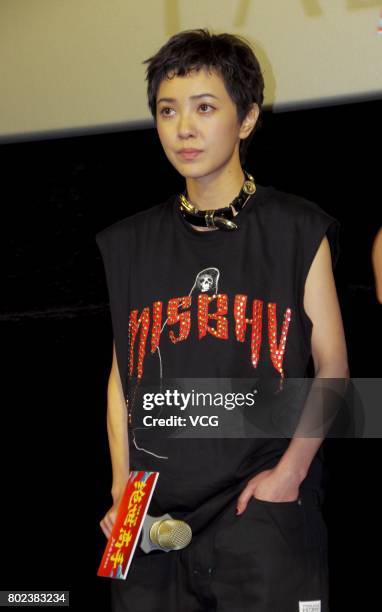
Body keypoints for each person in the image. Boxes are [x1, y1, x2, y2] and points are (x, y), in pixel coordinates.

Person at [96, 28, 349, 612]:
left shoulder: (296, 228)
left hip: (259, 501)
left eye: (205, 108)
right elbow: (122, 378)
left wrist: (289, 474)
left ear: (248, 117)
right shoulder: (128, 243)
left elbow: (333, 365)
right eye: (167, 110)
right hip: (149, 506)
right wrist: (120, 486)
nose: (183, 127)